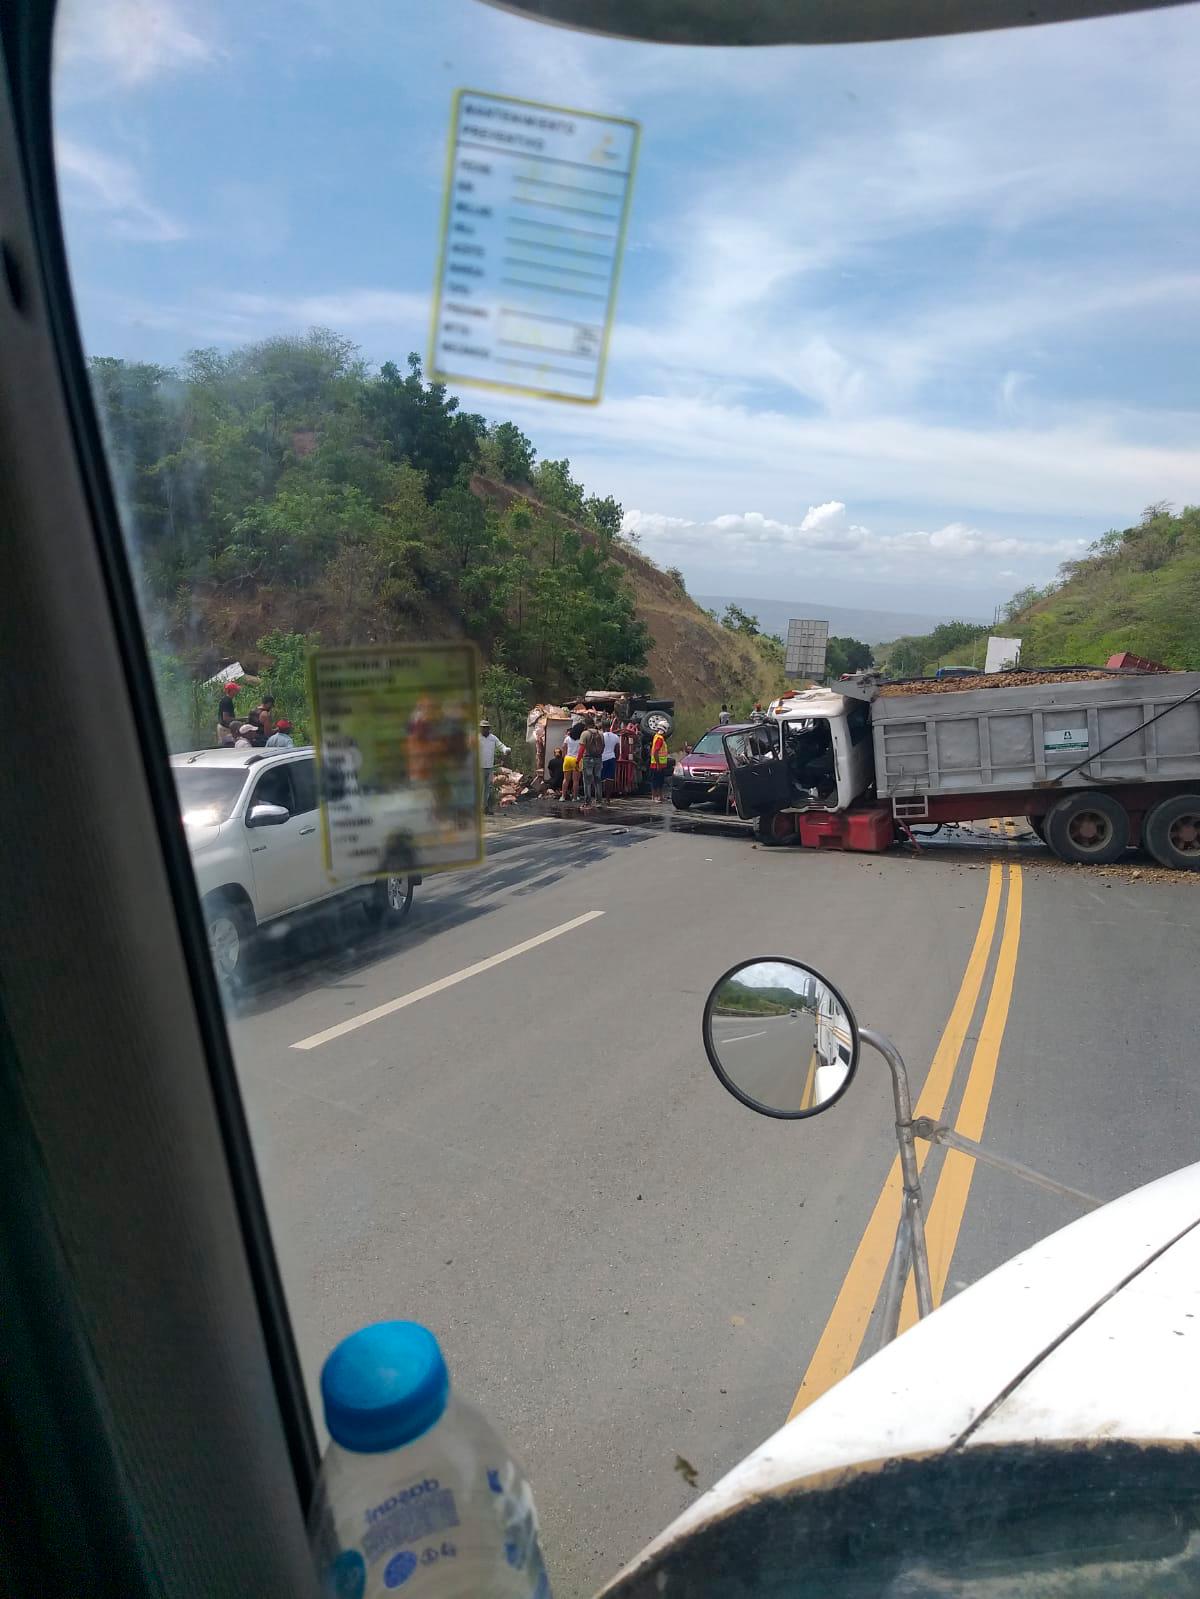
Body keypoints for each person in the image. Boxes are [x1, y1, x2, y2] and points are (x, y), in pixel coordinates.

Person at [478, 719, 511, 814]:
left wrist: (506, 750)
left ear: (488, 728)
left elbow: (501, 746)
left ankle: (484, 807)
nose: (483, 730)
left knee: (487, 788)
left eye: (485, 728)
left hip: (489, 767)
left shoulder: (493, 738)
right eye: (482, 728)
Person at [580, 719, 605, 813]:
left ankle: (588, 802)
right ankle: (599, 802)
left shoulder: (585, 734)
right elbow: (603, 746)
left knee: (587, 781)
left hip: (588, 759)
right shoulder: (601, 733)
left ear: (586, 724)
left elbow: (581, 748)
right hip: (598, 759)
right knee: (598, 780)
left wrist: (578, 760)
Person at [560, 721, 583, 805]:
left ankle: (563, 796)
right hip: (576, 759)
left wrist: (564, 757)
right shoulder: (581, 739)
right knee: (575, 780)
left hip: (567, 758)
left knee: (566, 779)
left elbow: (563, 747)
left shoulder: (567, 738)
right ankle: (574, 797)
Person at [601, 717, 620, 802]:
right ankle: (608, 798)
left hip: (602, 758)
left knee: (601, 778)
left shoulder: (601, 736)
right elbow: (617, 749)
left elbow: (600, 747)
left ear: (603, 727)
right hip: (612, 758)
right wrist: (616, 758)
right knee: (610, 779)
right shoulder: (616, 737)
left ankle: (601, 796)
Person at [649, 725, 669, 803]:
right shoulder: (659, 739)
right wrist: (658, 764)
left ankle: (660, 796)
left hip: (661, 764)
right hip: (657, 764)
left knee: (660, 781)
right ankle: (655, 797)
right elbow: (655, 752)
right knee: (655, 781)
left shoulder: (657, 737)